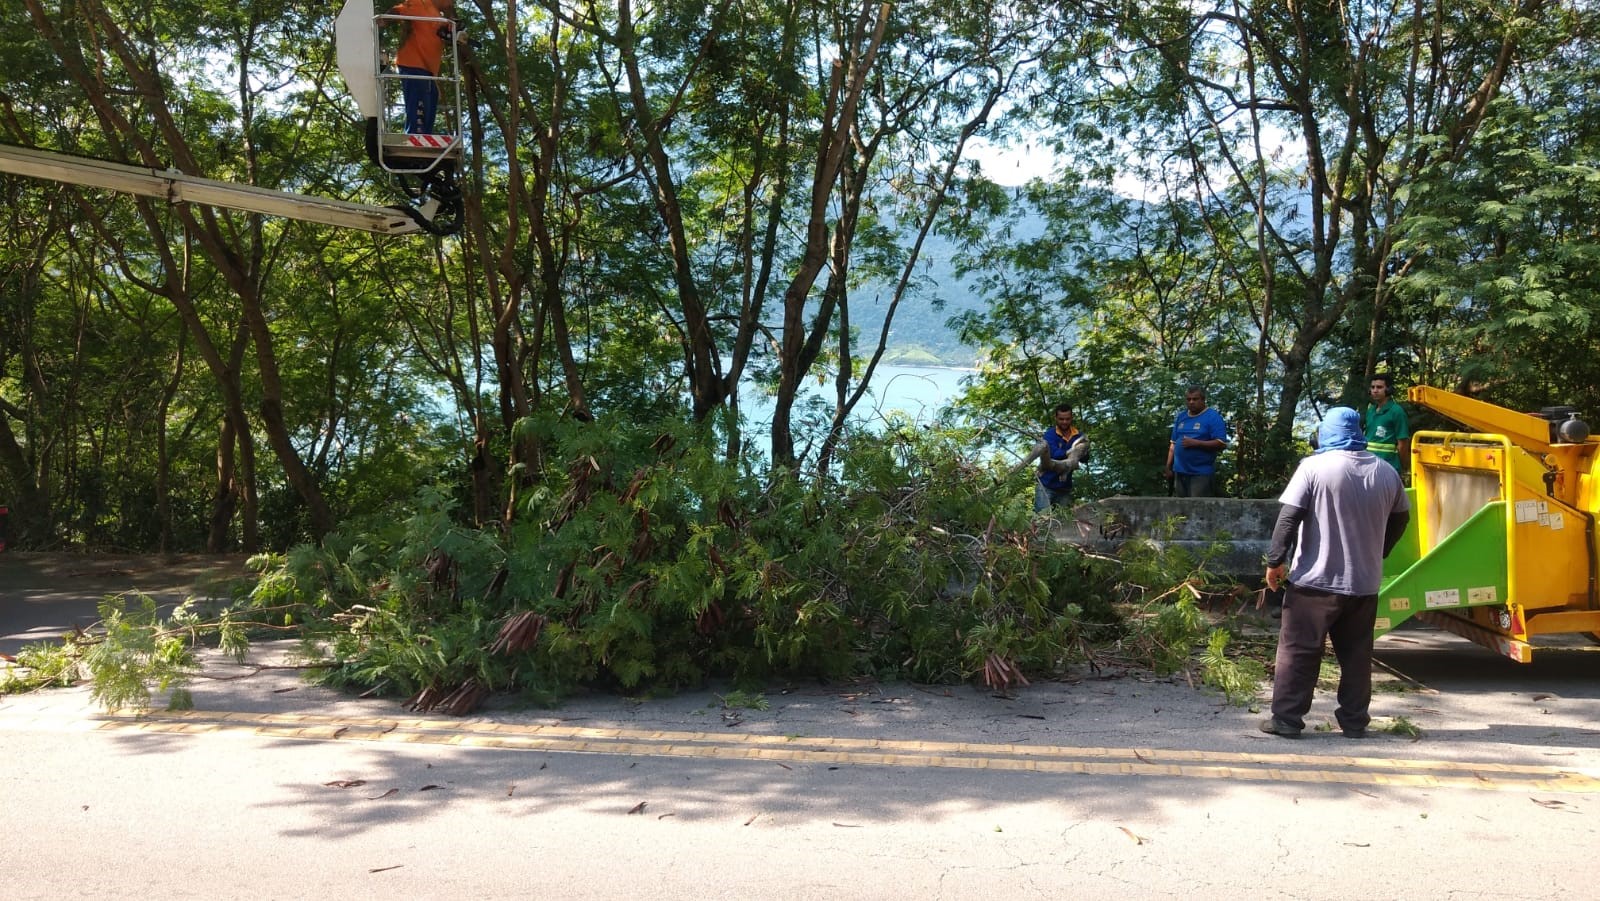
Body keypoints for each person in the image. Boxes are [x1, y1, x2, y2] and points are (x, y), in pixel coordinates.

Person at [1259, 407, 1410, 739]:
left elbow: (1289, 517)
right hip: (1364, 584)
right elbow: (1402, 518)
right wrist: (1381, 550)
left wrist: (1275, 561)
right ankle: (1354, 722)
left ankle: (1287, 720)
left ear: (1325, 432)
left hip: (1315, 583)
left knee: (1299, 650)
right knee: (1357, 655)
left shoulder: (1314, 467)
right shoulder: (1386, 472)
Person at [391, 0, 456, 135]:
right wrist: (381, 22)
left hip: (428, 70)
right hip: (413, 63)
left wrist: (453, 26)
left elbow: (447, 36)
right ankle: (415, 135)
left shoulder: (439, 17)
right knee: (419, 104)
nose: (452, 3)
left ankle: (424, 136)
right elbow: (399, 10)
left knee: (431, 99)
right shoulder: (421, 3)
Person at [1163, 386, 1228, 497]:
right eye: (1188, 399)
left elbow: (1221, 443)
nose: (1191, 402)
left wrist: (1196, 443)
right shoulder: (1181, 417)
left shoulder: (1213, 417)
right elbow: (1173, 443)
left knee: (1198, 505)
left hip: (1200, 473)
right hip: (1180, 472)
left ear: (1203, 400)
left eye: (1195, 399)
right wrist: (1168, 467)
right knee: (1181, 506)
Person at [1030, 403, 1088, 513]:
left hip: (1065, 487)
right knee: (1042, 518)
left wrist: (1083, 451)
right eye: (1061, 419)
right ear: (1056, 418)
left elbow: (1084, 459)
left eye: (1067, 419)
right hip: (1046, 485)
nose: (1064, 422)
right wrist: (1071, 451)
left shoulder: (1078, 436)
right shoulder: (1049, 435)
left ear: (1072, 418)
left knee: (1063, 520)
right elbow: (1054, 454)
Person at [1363, 373, 1411, 475]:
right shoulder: (1370, 410)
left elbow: (1403, 443)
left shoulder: (1397, 411)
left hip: (1388, 466)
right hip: (1369, 465)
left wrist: (1402, 466)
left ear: (1388, 390)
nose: (1375, 390)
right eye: (1372, 387)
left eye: (1379, 387)